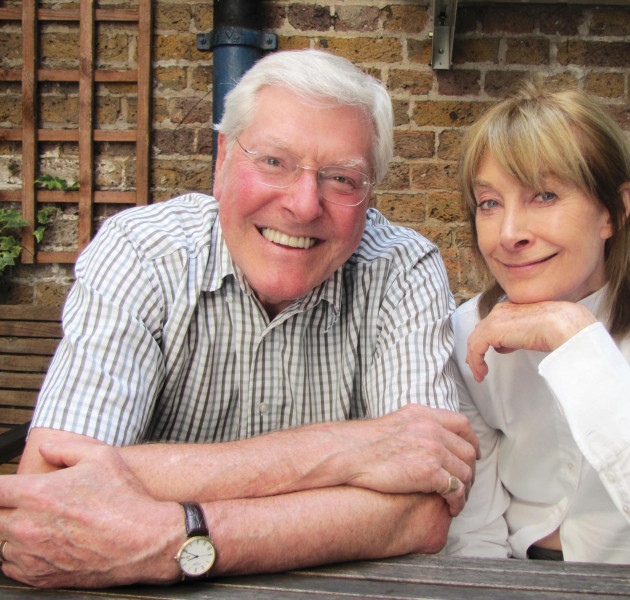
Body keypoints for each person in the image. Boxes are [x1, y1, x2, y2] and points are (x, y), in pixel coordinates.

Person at [0, 49, 478, 589]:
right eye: (273, 161)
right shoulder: (143, 253)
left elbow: (425, 509)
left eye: (341, 179)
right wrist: (347, 450)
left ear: (369, 196)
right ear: (223, 158)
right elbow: (52, 486)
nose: (303, 205)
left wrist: (173, 536)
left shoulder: (401, 268)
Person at [443, 81, 630, 574]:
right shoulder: (468, 331)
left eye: (544, 195)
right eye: (489, 203)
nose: (509, 233)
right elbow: (476, 533)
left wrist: (578, 341)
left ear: (613, 211)